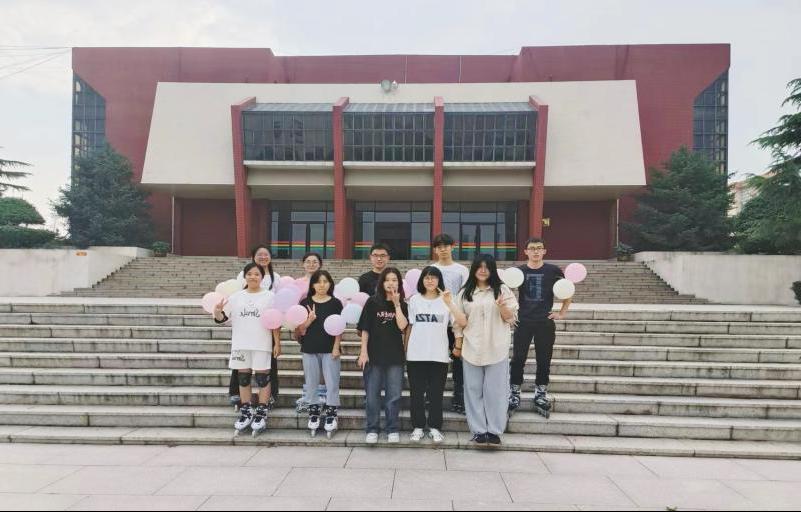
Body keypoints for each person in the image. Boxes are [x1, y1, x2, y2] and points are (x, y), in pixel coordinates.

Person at [453, 254, 518, 446]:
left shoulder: (502, 289)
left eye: (487, 267)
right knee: (473, 391)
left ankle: (495, 431)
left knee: (496, 392)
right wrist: (458, 345)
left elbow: (511, 318)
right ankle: (479, 431)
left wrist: (502, 306)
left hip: (496, 347)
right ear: (474, 269)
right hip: (471, 348)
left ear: (492, 270)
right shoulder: (465, 292)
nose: (483, 270)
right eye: (479, 267)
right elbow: (458, 322)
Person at [213, 262, 281, 436]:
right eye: (249, 274)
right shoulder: (236, 297)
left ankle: (261, 411)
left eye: (256, 274)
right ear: (244, 277)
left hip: (262, 343)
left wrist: (277, 343)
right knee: (243, 378)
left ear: (262, 277)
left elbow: (275, 322)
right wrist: (218, 311)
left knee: (263, 378)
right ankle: (246, 410)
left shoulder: (270, 296)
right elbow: (223, 318)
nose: (253, 277)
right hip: (241, 344)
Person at [509, 237, 573, 417]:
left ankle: (541, 393)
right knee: (518, 359)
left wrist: (562, 313)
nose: (536, 251)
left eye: (539, 248)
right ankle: (514, 392)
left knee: (544, 359)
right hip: (523, 321)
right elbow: (505, 292)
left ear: (544, 251)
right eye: (532, 248)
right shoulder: (519, 271)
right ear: (526, 252)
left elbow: (568, 290)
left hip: (544, 322)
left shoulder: (553, 270)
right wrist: (509, 314)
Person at [405, 266, 467, 443]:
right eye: (426, 277)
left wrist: (458, 345)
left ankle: (434, 427)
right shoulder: (414, 300)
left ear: (439, 280)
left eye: (433, 277)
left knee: (436, 394)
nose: (430, 280)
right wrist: (406, 349)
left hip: (439, 354)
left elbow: (460, 323)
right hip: (416, 354)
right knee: (416, 393)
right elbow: (410, 326)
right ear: (422, 280)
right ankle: (418, 427)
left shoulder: (447, 300)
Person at [357, 267, 408, 445]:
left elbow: (402, 326)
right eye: (387, 280)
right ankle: (372, 429)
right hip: (373, 356)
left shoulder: (403, 304)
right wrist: (363, 352)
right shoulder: (372, 302)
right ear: (382, 282)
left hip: (395, 356)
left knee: (394, 395)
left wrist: (397, 304)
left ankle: (392, 429)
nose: (391, 283)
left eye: (394, 280)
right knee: (372, 395)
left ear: (399, 283)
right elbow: (365, 329)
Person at [229, 245, 281, 409]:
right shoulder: (239, 288)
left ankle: (266, 401)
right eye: (260, 254)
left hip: (265, 330)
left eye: (266, 254)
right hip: (244, 332)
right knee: (242, 372)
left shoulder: (275, 279)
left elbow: (276, 311)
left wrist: (277, 340)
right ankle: (241, 401)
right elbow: (232, 308)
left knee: (265, 371)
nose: (263, 257)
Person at [296, 270, 344, 438]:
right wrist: (308, 321)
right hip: (309, 347)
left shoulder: (336, 303)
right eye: (318, 281)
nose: (322, 285)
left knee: (332, 381)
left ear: (330, 284)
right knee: (311, 381)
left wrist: (336, 347)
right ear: (313, 285)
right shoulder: (305, 303)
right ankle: (314, 409)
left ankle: (331, 411)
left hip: (330, 348)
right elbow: (299, 330)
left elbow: (339, 327)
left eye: (325, 281)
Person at [431, 233, 470, 414]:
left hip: (457, 322)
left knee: (459, 361)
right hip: (437, 322)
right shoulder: (431, 269)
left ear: (452, 247)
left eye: (446, 246)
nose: (443, 249)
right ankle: (432, 397)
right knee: (435, 361)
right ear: (435, 250)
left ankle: (459, 397)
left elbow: (467, 295)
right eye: (439, 247)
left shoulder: (462, 270)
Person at [294, 252, 326, 413]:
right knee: (309, 362)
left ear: (320, 264)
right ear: (303, 264)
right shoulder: (297, 283)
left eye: (315, 261)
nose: (311, 264)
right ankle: (308, 394)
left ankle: (322, 394)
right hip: (304, 325)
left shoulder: (324, 281)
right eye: (308, 261)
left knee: (322, 363)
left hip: (321, 324)